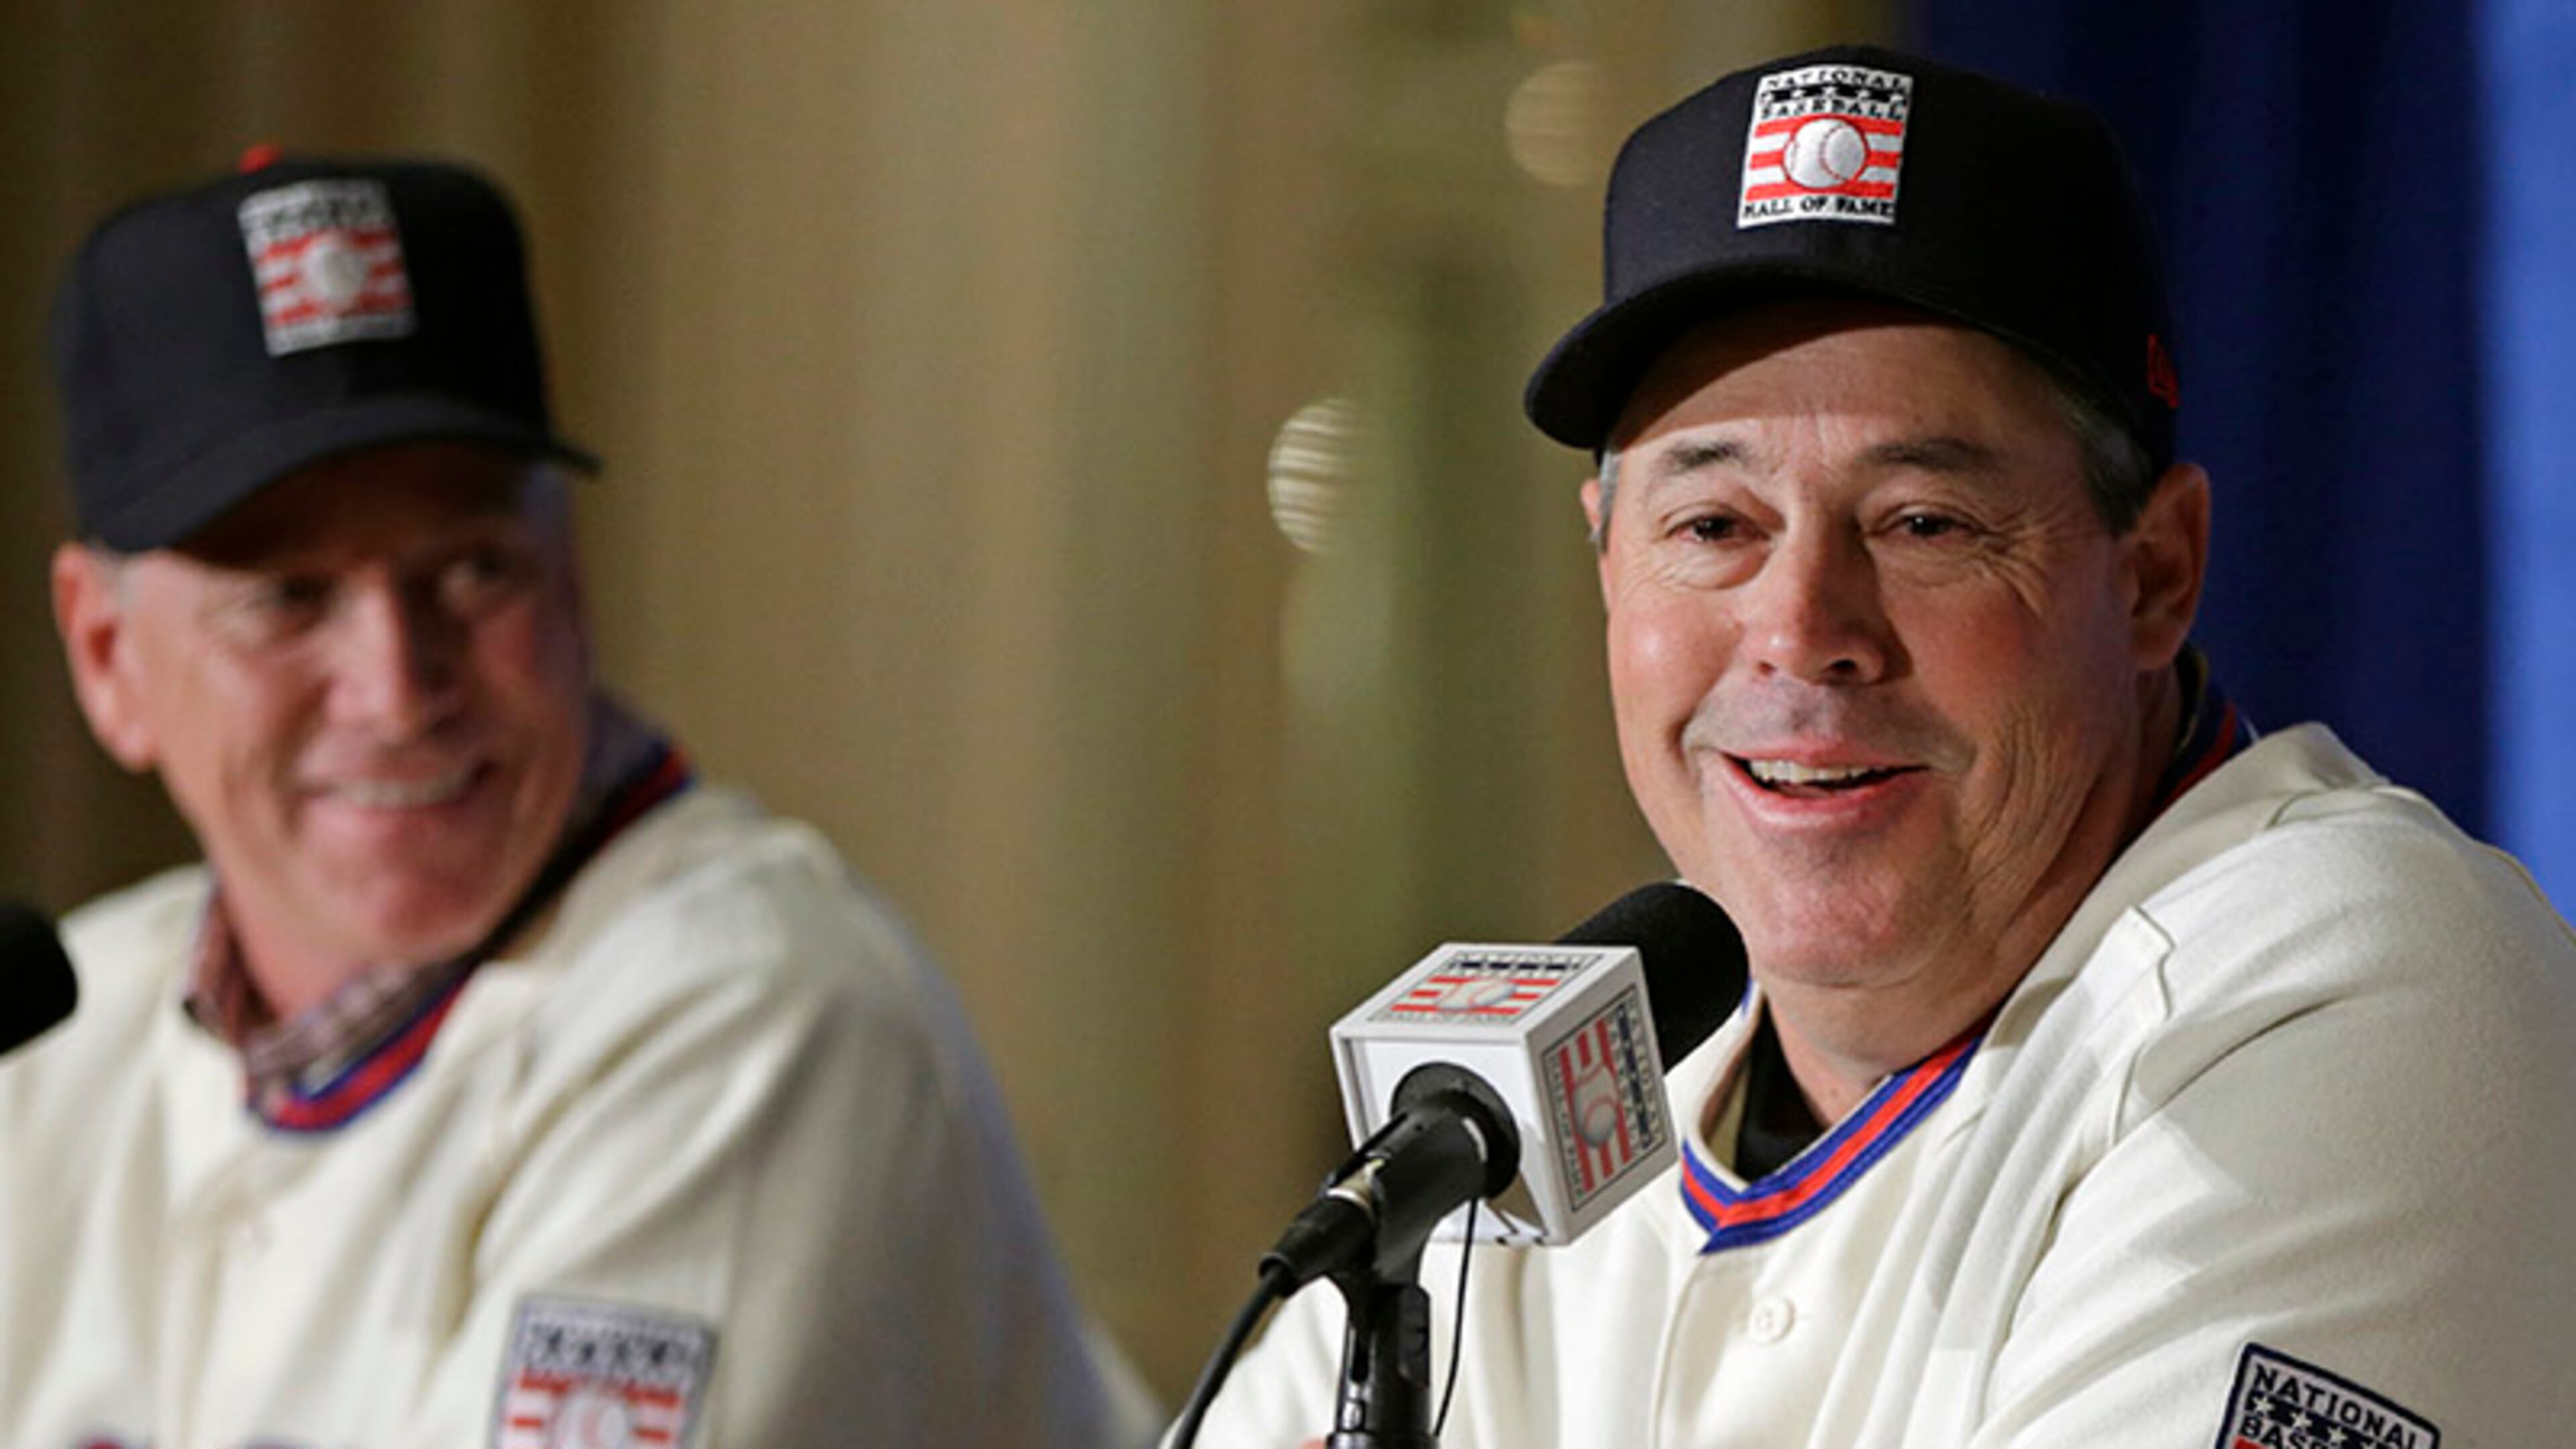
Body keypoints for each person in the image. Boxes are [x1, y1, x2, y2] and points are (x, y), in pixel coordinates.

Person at [1193, 43, 2576, 1448]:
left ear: (2155, 573)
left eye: (1925, 524)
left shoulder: (2358, 980)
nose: (1803, 630)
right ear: (1610, 564)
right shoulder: (1529, 1105)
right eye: (1714, 529)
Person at [9, 152, 1154, 1448]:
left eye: (471, 571)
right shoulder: (65, 1022)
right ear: (107, 659)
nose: (397, 688)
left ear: (570, 578)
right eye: (289, 600)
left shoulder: (752, 1019)